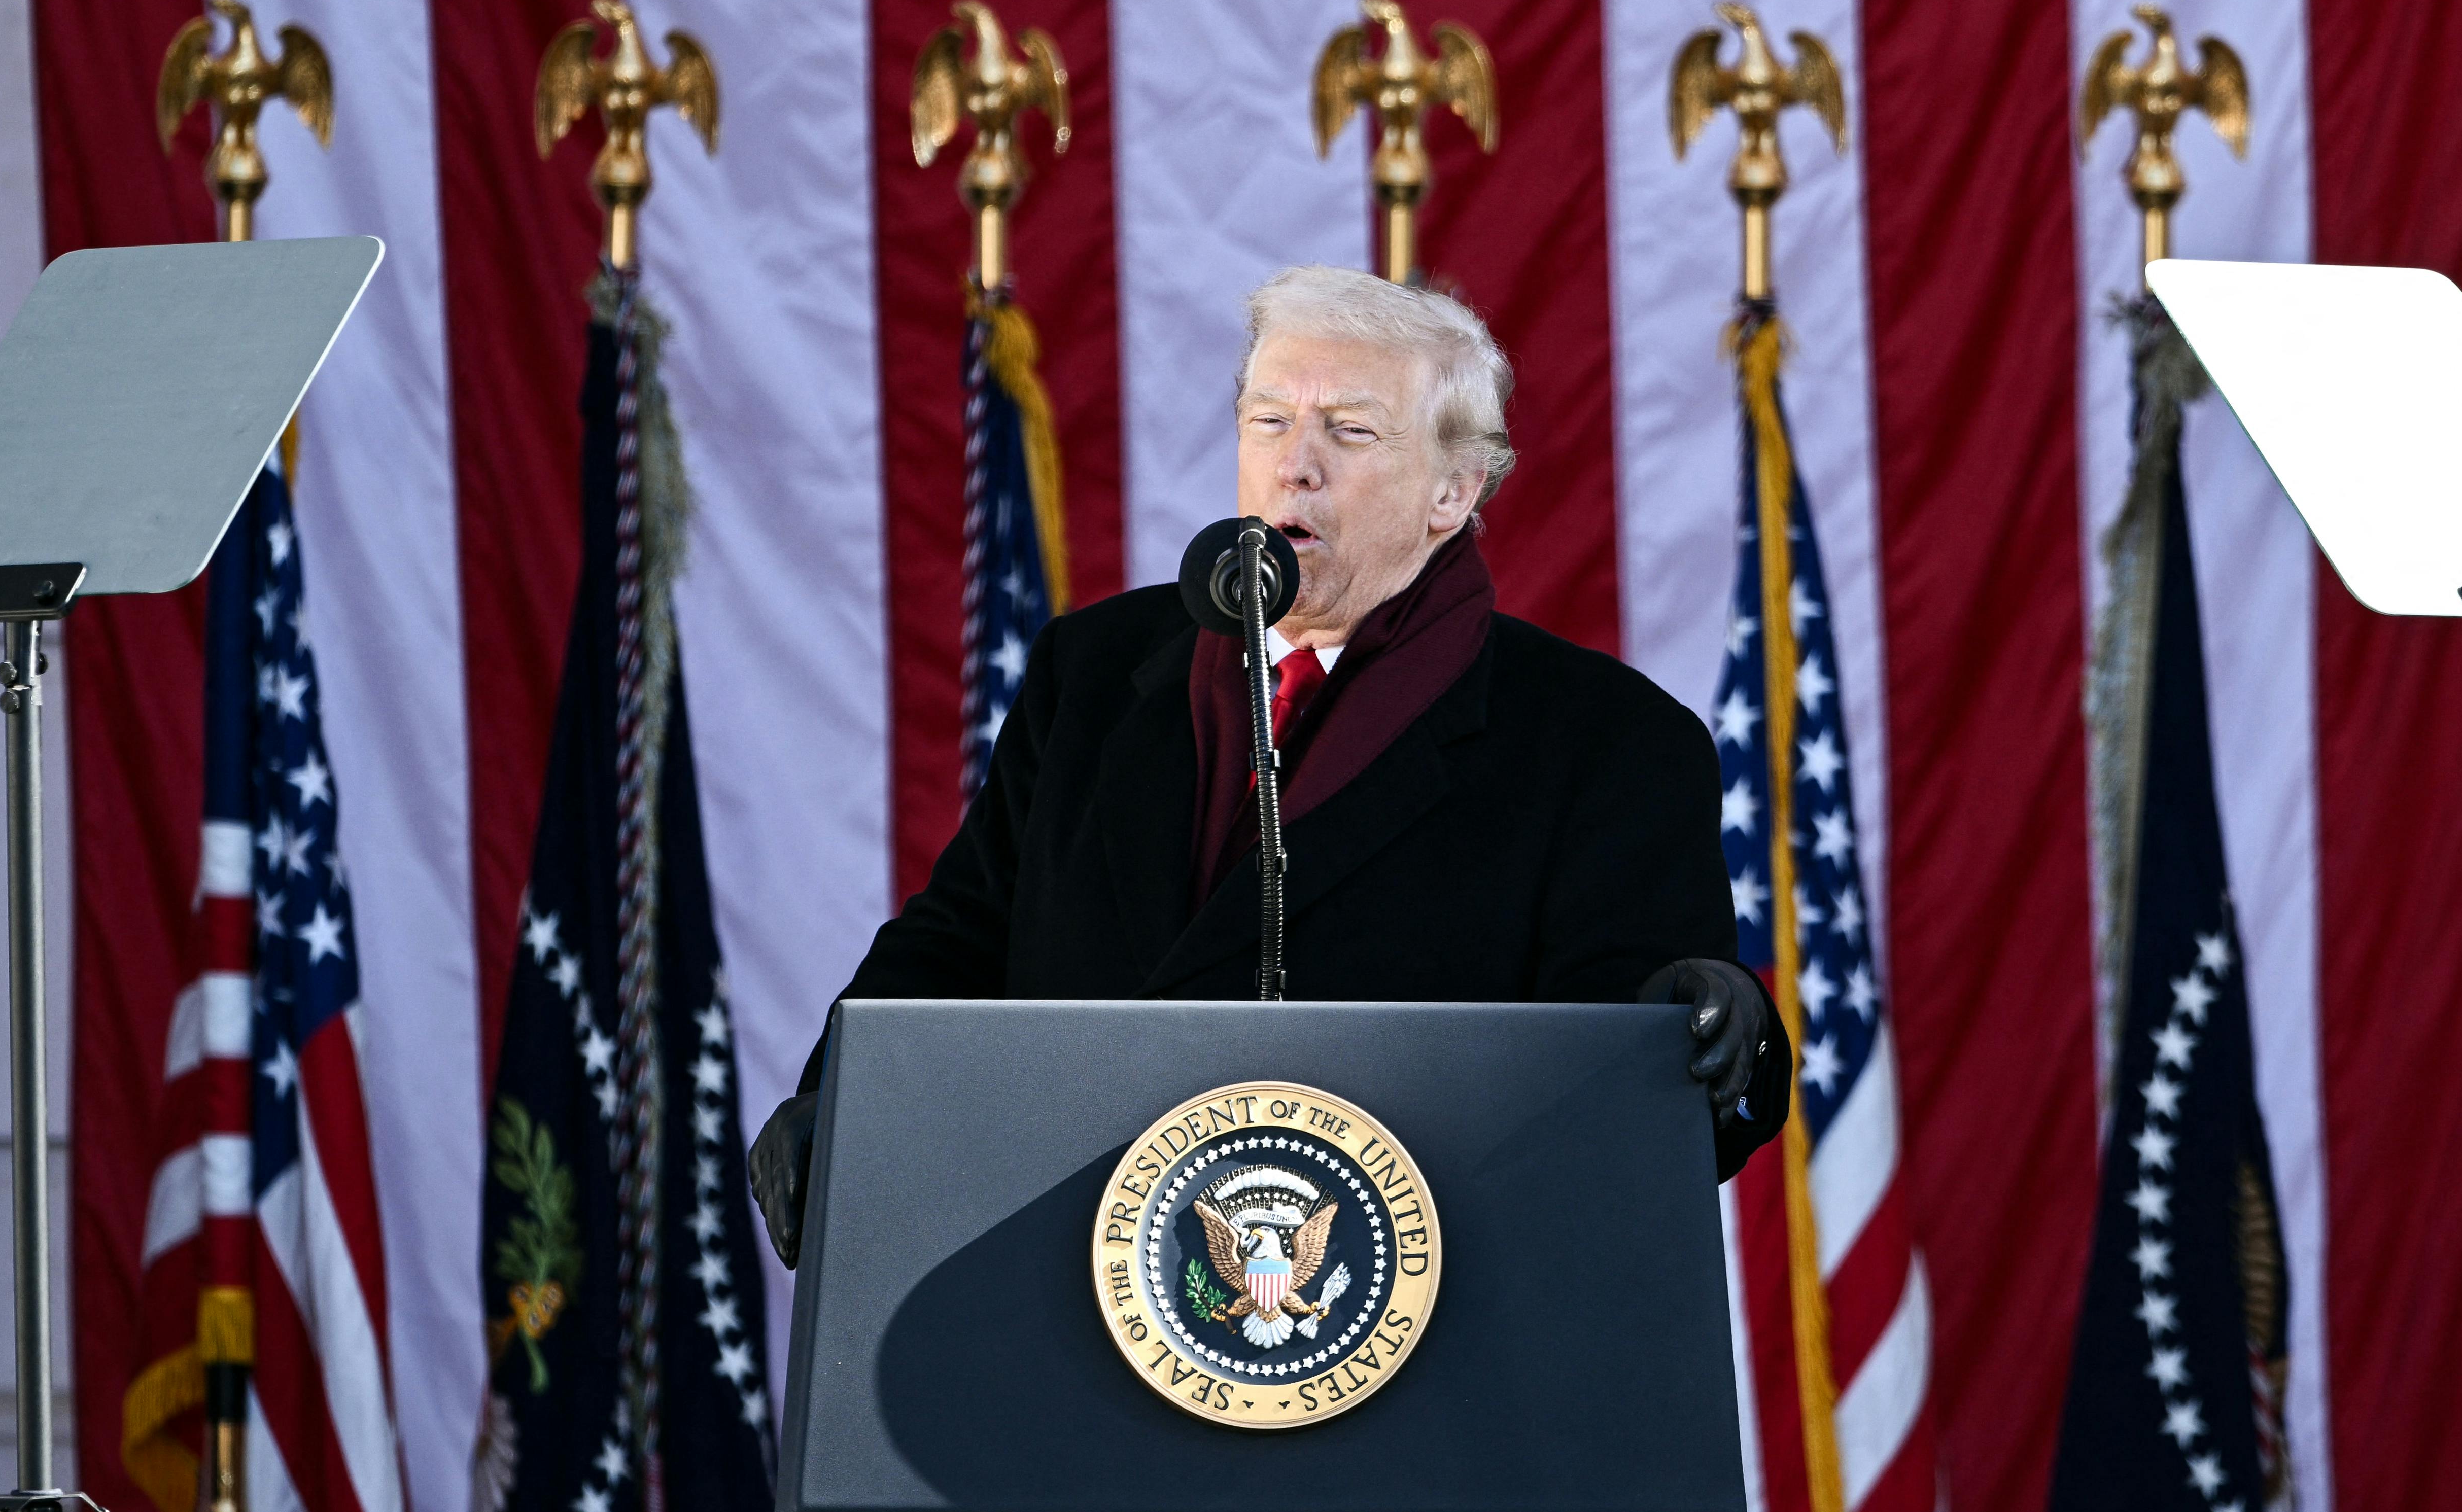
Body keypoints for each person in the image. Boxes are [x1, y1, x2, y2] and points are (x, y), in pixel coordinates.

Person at [747, 265, 1787, 1264]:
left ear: (1452, 493)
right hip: (1076, 1289)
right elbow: (964, 937)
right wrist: (840, 1095)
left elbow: (1643, 1084)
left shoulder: (1606, 741)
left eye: (1350, 432)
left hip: (1418, 1340)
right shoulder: (1098, 674)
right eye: (1269, 421)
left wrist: (1698, 1022)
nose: (1297, 463)